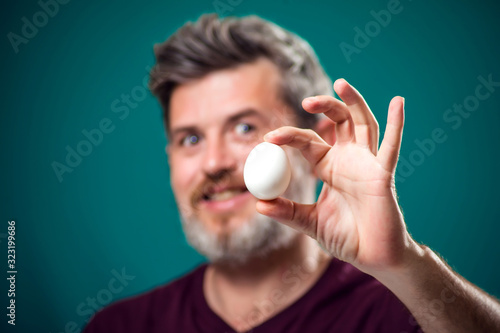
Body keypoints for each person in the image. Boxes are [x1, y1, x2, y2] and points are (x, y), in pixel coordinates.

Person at [83, 14, 500, 332]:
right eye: (190, 139)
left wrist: (403, 264)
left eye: (244, 128)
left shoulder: (405, 313)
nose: (213, 163)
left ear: (320, 143)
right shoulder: (123, 326)